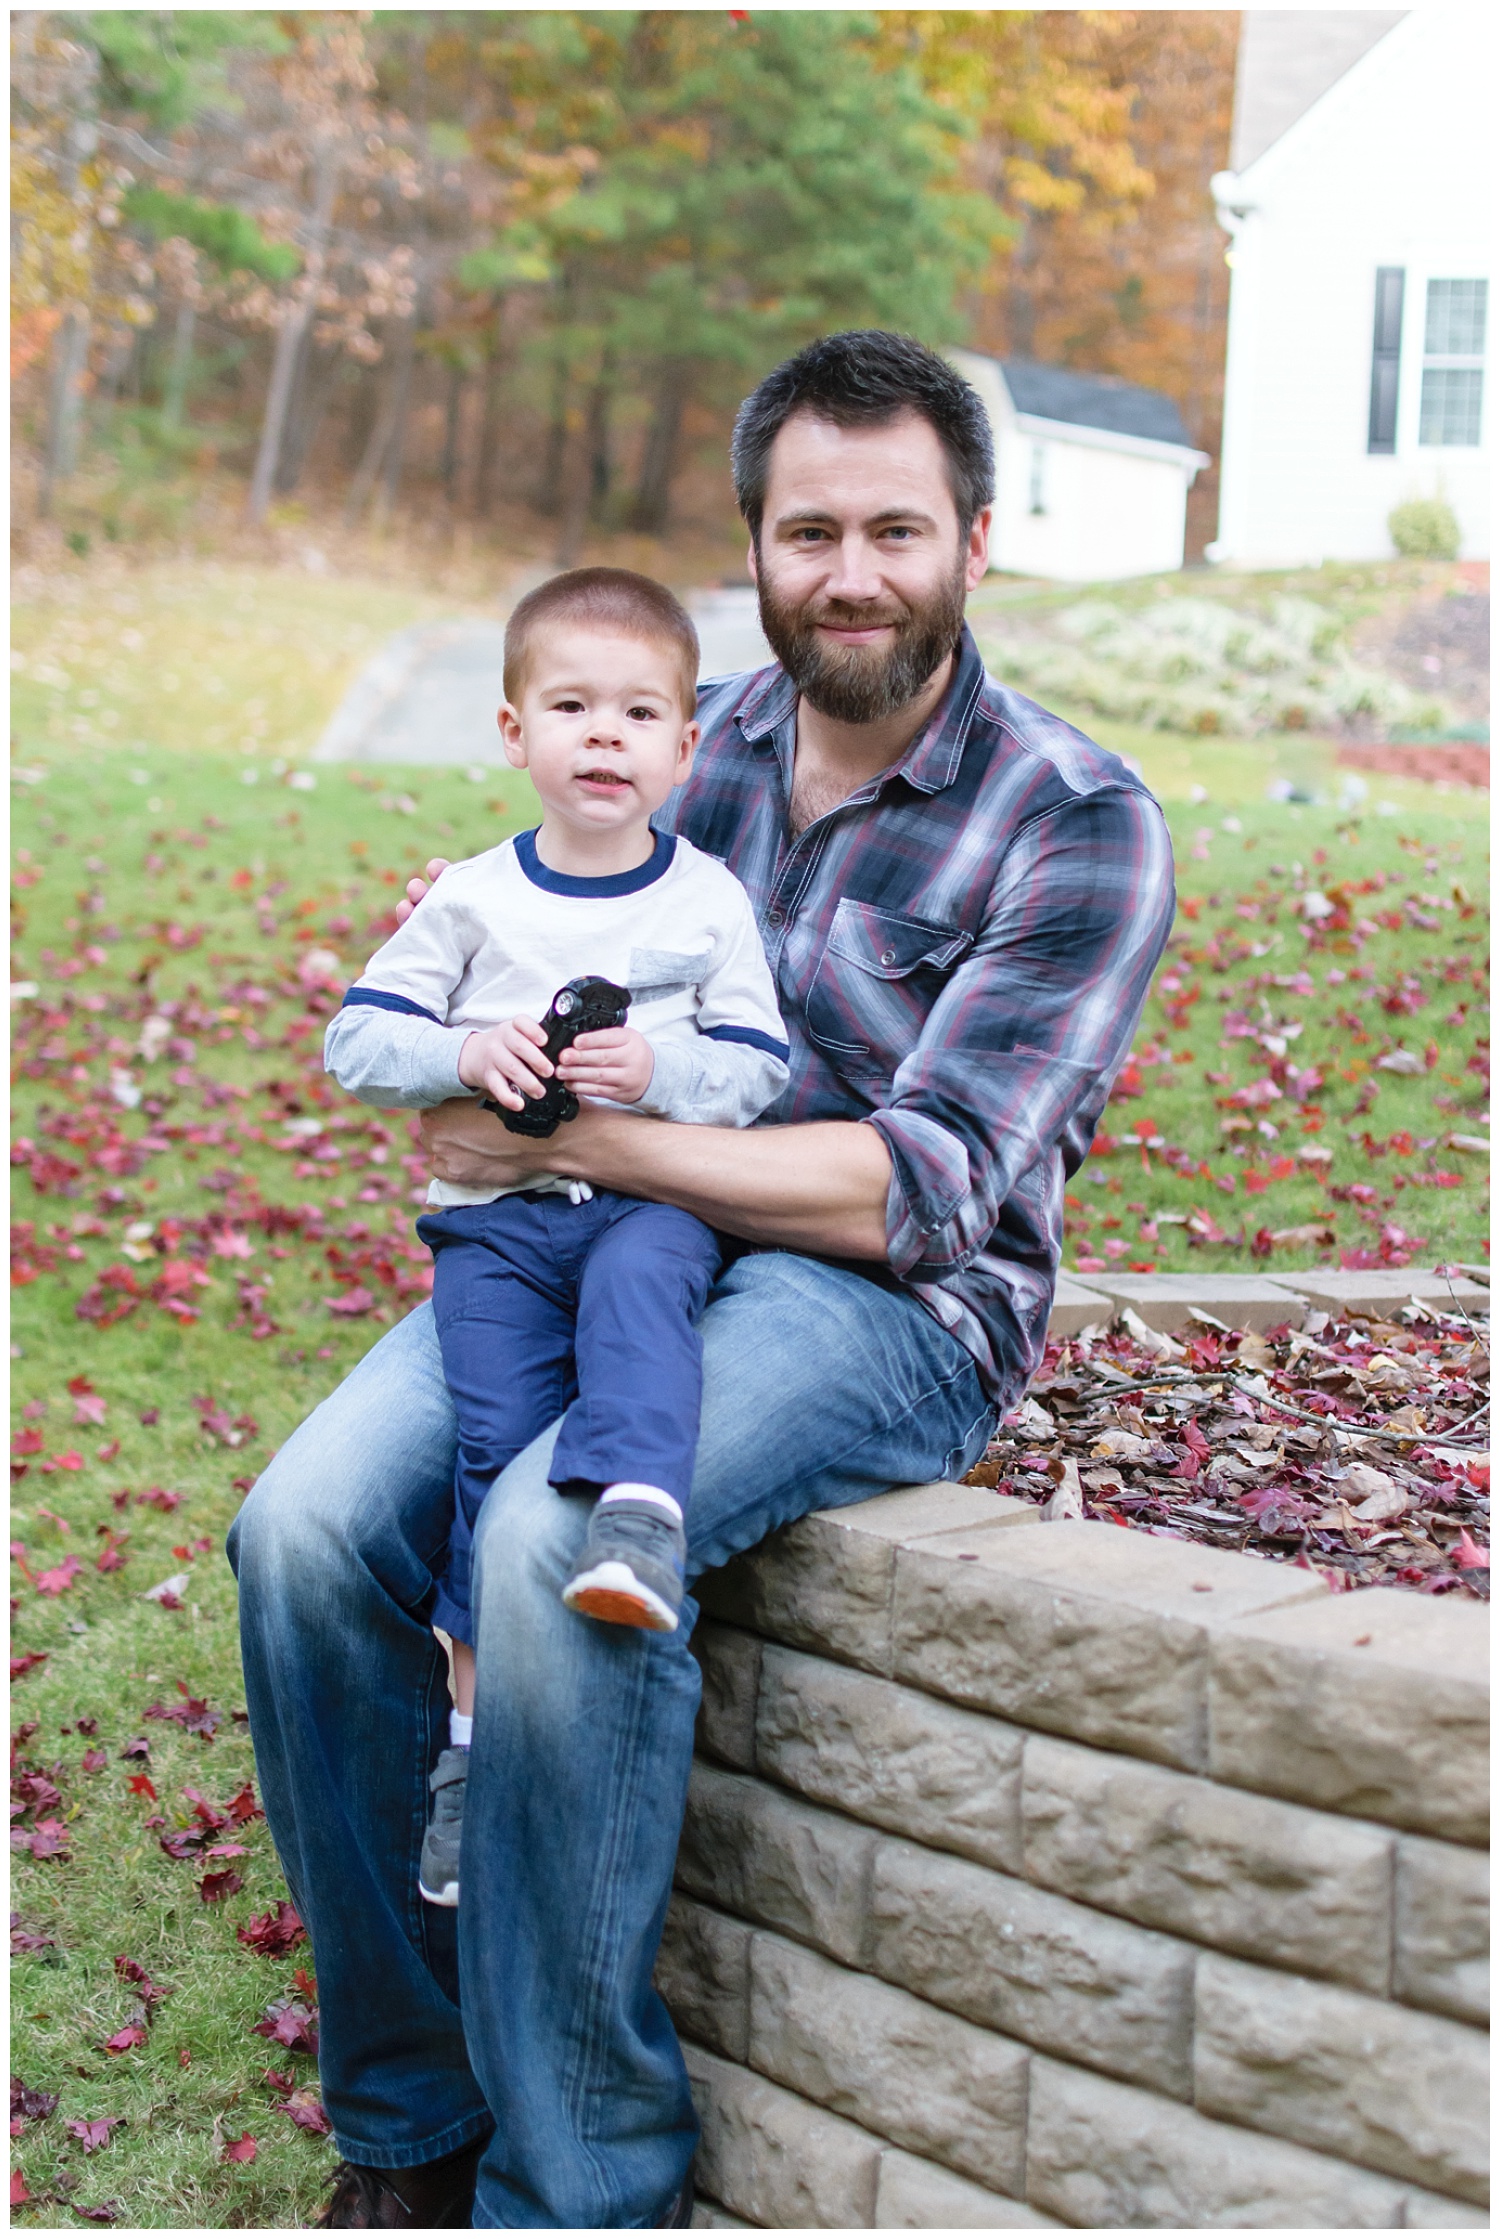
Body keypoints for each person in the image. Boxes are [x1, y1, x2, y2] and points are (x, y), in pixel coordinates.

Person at [228, 328, 1176, 2230]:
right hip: (592, 1251)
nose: (850, 571)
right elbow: (466, 1009)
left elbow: (923, 1191)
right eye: (807, 528)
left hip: (885, 1310)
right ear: (753, 542)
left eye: (894, 528)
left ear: (976, 543)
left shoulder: (1077, 821)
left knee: (544, 1545)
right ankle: (408, 2127)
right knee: (302, 1528)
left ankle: (581, 2182)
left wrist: (583, 1142)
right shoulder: (670, 739)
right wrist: (479, 1080)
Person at [323, 568, 788, 1910]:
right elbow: (358, 1040)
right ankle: (469, 1755)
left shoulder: (703, 904)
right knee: (489, 1443)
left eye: (639, 712)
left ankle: (639, 1522)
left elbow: (759, 1063)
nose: (604, 735)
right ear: (512, 730)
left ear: (686, 748)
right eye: (572, 705)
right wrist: (465, 1048)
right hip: (501, 1234)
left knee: (648, 1298)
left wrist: (662, 1072)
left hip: (647, 1203)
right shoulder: (474, 901)